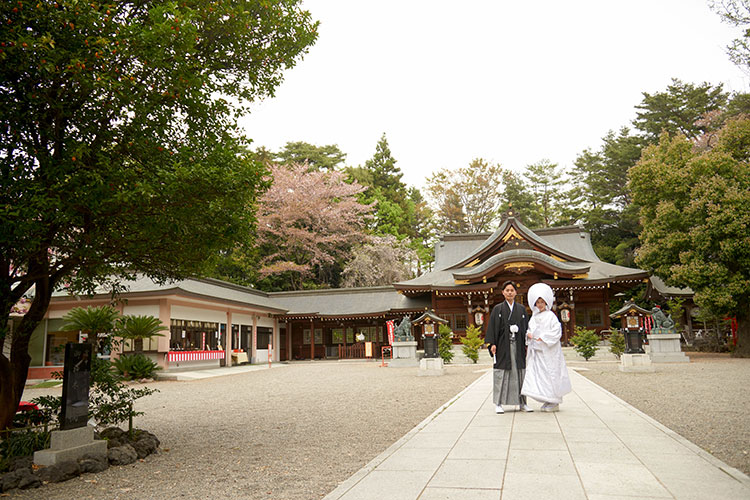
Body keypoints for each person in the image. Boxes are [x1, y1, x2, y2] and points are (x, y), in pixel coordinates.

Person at [521, 282, 572, 412]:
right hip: (537, 352)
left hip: (549, 352)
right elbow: (529, 331)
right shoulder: (533, 317)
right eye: (537, 302)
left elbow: (556, 332)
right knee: (539, 376)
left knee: (551, 375)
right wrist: (529, 335)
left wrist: (542, 337)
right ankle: (547, 399)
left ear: (546, 303)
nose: (540, 304)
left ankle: (554, 401)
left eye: (542, 302)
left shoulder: (551, 316)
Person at [486, 280, 533, 414]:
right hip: (502, 346)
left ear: (515, 292)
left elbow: (525, 328)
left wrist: (527, 340)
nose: (510, 292)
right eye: (507, 290)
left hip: (518, 346)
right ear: (503, 293)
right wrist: (492, 344)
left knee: (520, 373)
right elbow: (492, 328)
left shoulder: (521, 309)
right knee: (501, 373)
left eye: (512, 290)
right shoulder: (497, 309)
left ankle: (523, 403)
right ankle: (498, 403)